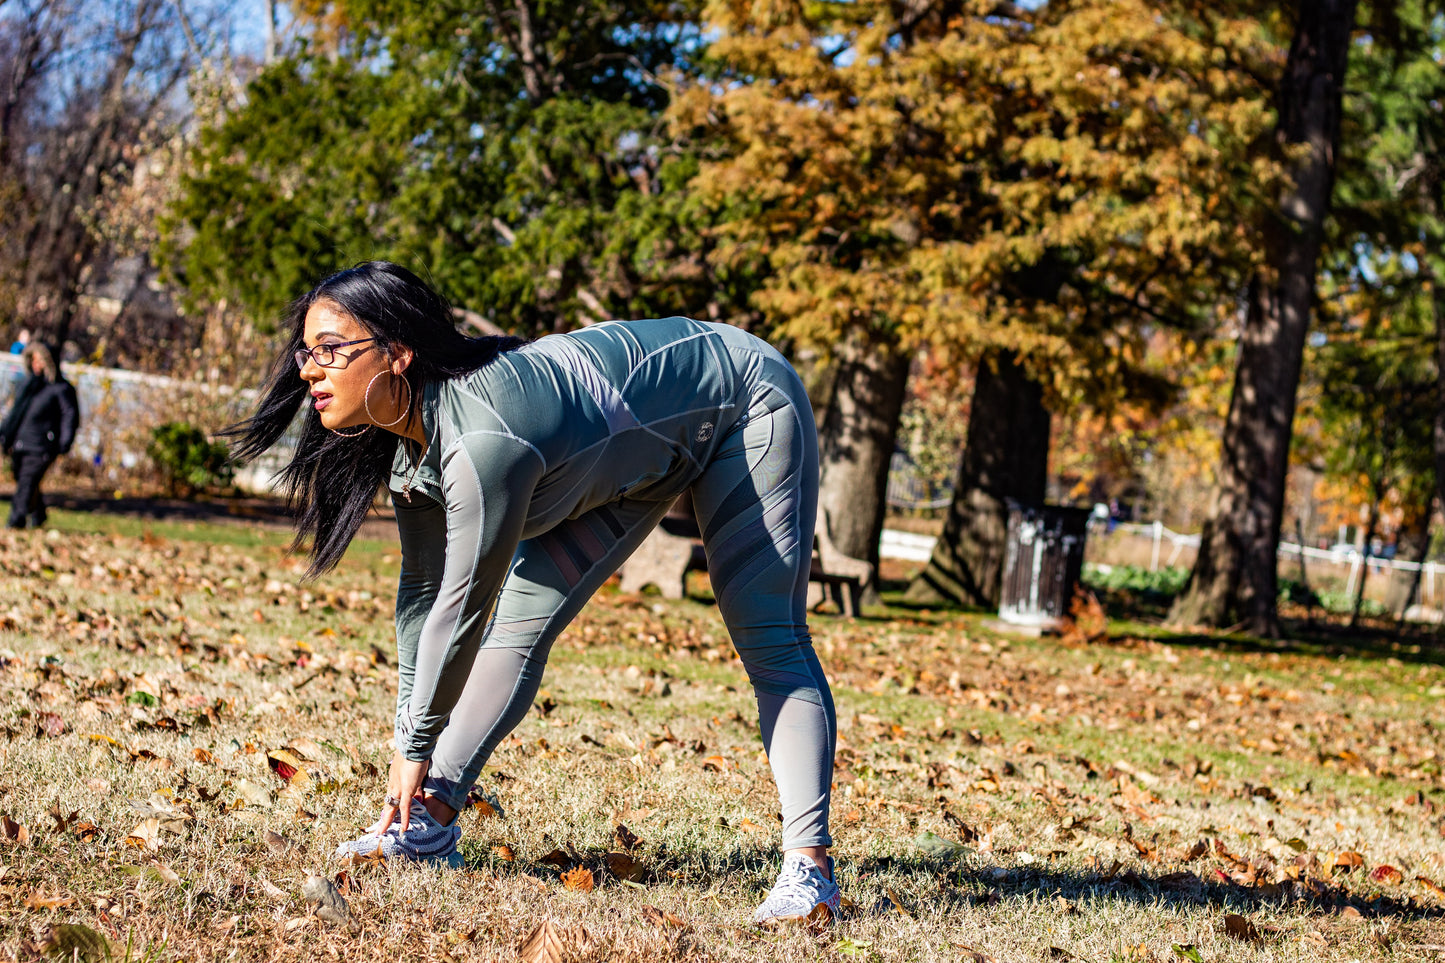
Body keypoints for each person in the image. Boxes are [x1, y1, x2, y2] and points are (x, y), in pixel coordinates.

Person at [231, 261, 841, 924]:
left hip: (742, 401)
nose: (307, 369)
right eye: (306, 351)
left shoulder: (482, 441)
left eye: (329, 349)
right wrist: (409, 748)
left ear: (397, 353)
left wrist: (410, 748)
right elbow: (422, 599)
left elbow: (459, 613)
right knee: (517, 630)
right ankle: (425, 826)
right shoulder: (410, 438)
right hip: (633, 459)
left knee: (768, 636)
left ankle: (810, 874)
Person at [1, 341, 79, 529]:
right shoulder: (29, 386)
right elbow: (15, 415)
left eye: (40, 360)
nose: (36, 365)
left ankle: (16, 521)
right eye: (33, 360)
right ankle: (38, 514)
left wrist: (64, 442)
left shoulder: (61, 389)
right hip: (21, 443)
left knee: (26, 483)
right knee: (24, 480)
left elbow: (70, 416)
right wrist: (6, 436)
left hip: (43, 445)